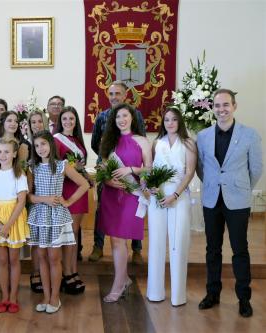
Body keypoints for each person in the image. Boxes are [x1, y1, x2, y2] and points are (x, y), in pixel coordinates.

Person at [196, 89, 262, 318]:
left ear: (234, 106)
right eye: (217, 106)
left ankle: (244, 297)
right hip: (212, 198)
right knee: (212, 249)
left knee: (239, 249)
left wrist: (239, 187)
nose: (221, 109)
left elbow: (255, 169)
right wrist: (216, 184)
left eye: (226, 105)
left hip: (238, 200)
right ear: (212, 108)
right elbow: (201, 168)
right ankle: (212, 293)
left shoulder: (250, 135)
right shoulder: (203, 136)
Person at [28, 130, 88, 313]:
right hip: (39, 216)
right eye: (36, 146)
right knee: (42, 258)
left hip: (56, 216)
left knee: (54, 258)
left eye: (43, 144)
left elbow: (84, 184)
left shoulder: (62, 166)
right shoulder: (33, 168)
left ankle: (55, 297)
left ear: (51, 145)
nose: (40, 149)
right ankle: (46, 297)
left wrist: (68, 201)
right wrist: (43, 199)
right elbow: (29, 196)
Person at [98, 103, 152, 302]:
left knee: (121, 238)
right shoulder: (108, 141)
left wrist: (131, 170)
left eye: (124, 116)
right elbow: (103, 169)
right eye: (117, 116)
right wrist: (108, 181)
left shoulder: (142, 141)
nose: (121, 119)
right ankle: (124, 279)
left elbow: (149, 169)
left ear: (132, 118)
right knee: (115, 240)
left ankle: (118, 284)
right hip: (112, 195)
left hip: (132, 195)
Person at [90, 81, 146, 263]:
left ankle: (136, 249)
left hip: (131, 169)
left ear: (125, 95)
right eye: (111, 93)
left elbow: (141, 140)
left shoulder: (136, 115)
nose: (114, 97)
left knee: (136, 208)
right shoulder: (102, 117)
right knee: (104, 208)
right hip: (108, 169)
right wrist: (108, 166)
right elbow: (95, 144)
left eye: (118, 93)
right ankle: (98, 246)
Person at [146, 108, 197, 306]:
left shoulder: (188, 143)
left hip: (178, 195)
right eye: (166, 120)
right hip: (158, 197)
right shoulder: (157, 143)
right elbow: (151, 169)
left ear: (180, 121)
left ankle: (178, 296)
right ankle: (155, 292)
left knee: (178, 244)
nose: (170, 123)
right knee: (157, 243)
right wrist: (151, 187)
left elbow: (190, 172)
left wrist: (175, 195)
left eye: (174, 119)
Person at [0, 138, 29, 314]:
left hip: (13, 219)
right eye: (0, 152)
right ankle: (4, 295)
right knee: (1, 259)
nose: (3, 155)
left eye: (7, 152)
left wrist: (8, 225)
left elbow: (21, 201)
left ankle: (14, 296)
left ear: (15, 154)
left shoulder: (20, 175)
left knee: (13, 259)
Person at [53, 106, 90, 294]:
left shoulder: (77, 140)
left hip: (80, 190)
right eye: (65, 119)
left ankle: (73, 269)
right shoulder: (56, 139)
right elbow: (54, 165)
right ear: (60, 121)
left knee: (75, 233)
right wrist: (72, 168)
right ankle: (66, 273)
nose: (68, 122)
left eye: (72, 118)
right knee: (69, 234)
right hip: (67, 189)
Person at [26, 109, 49, 294]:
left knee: (47, 239)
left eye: (39, 121)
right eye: (33, 122)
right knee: (34, 240)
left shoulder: (49, 142)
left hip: (46, 197)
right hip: (29, 195)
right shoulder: (25, 145)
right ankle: (35, 272)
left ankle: (47, 272)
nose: (36, 125)